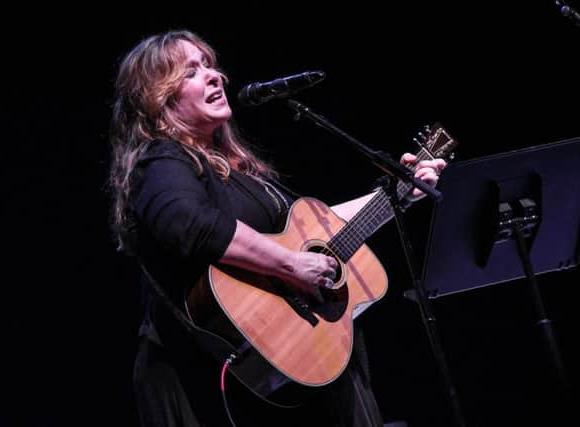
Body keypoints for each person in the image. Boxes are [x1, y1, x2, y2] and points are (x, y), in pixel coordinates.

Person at [108, 29, 446, 427]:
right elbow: (192, 226)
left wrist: (398, 194)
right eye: (191, 72)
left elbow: (327, 233)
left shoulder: (242, 172)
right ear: (158, 98)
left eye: (210, 65)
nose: (215, 76)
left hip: (289, 371)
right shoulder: (161, 161)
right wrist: (288, 265)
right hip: (203, 377)